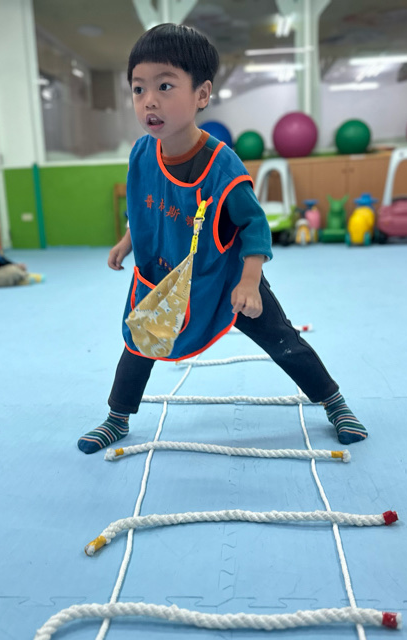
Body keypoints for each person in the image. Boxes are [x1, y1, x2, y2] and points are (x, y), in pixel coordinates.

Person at [77, 23, 367, 454]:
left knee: (282, 340)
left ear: (202, 94)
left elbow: (255, 226)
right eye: (138, 89)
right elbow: (144, 208)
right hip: (164, 275)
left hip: (227, 278)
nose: (149, 100)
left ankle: (335, 403)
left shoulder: (222, 165)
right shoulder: (141, 153)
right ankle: (117, 419)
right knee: (139, 341)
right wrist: (128, 241)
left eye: (165, 86)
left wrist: (249, 282)